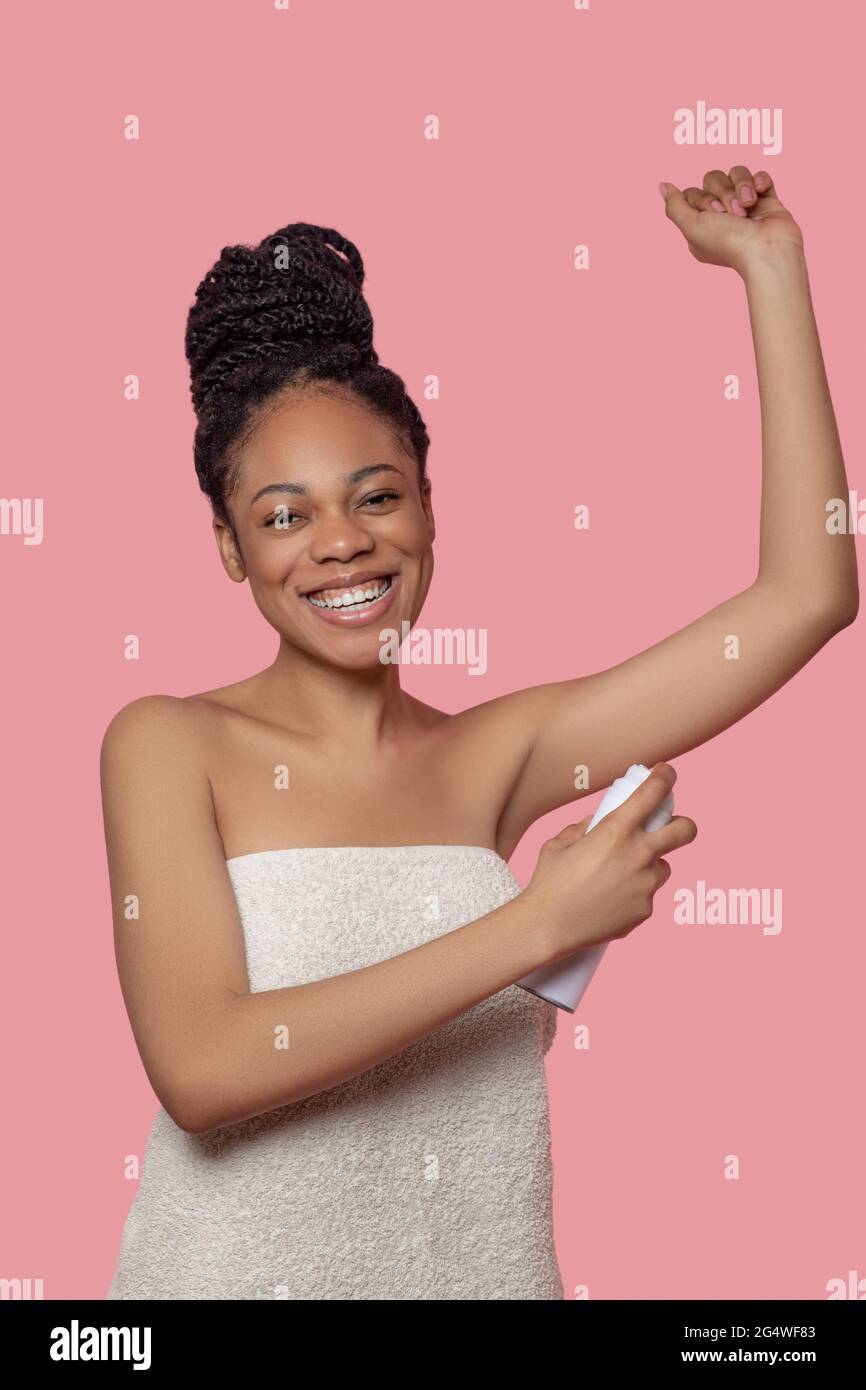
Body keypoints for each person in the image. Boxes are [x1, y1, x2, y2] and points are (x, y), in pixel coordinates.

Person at [101, 172, 858, 1300]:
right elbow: (204, 1068)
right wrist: (533, 926)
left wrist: (770, 271)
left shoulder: (495, 756)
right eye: (283, 515)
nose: (341, 546)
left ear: (427, 507)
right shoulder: (167, 744)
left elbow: (807, 594)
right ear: (227, 546)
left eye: (375, 496)